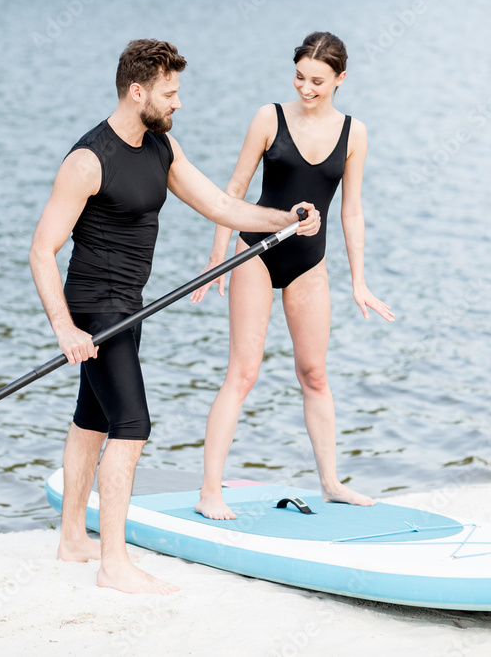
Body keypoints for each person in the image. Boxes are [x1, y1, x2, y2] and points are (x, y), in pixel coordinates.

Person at [29, 39, 320, 594]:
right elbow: (42, 250)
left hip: (128, 306)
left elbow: (219, 205)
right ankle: (113, 565)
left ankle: (72, 538)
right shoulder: (88, 160)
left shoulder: (161, 147)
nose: (177, 103)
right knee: (131, 425)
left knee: (92, 418)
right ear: (137, 91)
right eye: (170, 92)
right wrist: (66, 327)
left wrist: (285, 218)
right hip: (96, 308)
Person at [191, 32, 394, 521]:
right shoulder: (269, 117)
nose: (306, 88)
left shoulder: (355, 133)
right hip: (257, 253)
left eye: (318, 81)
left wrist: (359, 281)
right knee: (243, 373)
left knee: (315, 375)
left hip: (310, 262)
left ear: (341, 79)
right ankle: (209, 491)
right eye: (300, 77)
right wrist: (218, 258)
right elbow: (234, 191)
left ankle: (330, 483)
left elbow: (351, 212)